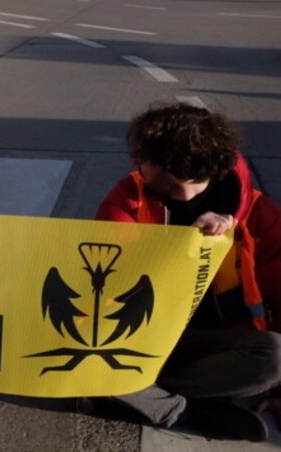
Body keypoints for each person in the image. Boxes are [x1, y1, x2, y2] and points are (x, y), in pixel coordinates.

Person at [95, 101, 281, 442]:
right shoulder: (127, 198)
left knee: (275, 357)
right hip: (138, 336)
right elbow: (103, 280)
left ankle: (135, 393)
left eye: (144, 157)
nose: (135, 164)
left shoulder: (258, 214)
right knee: (81, 351)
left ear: (177, 166)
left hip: (206, 346)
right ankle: (181, 409)